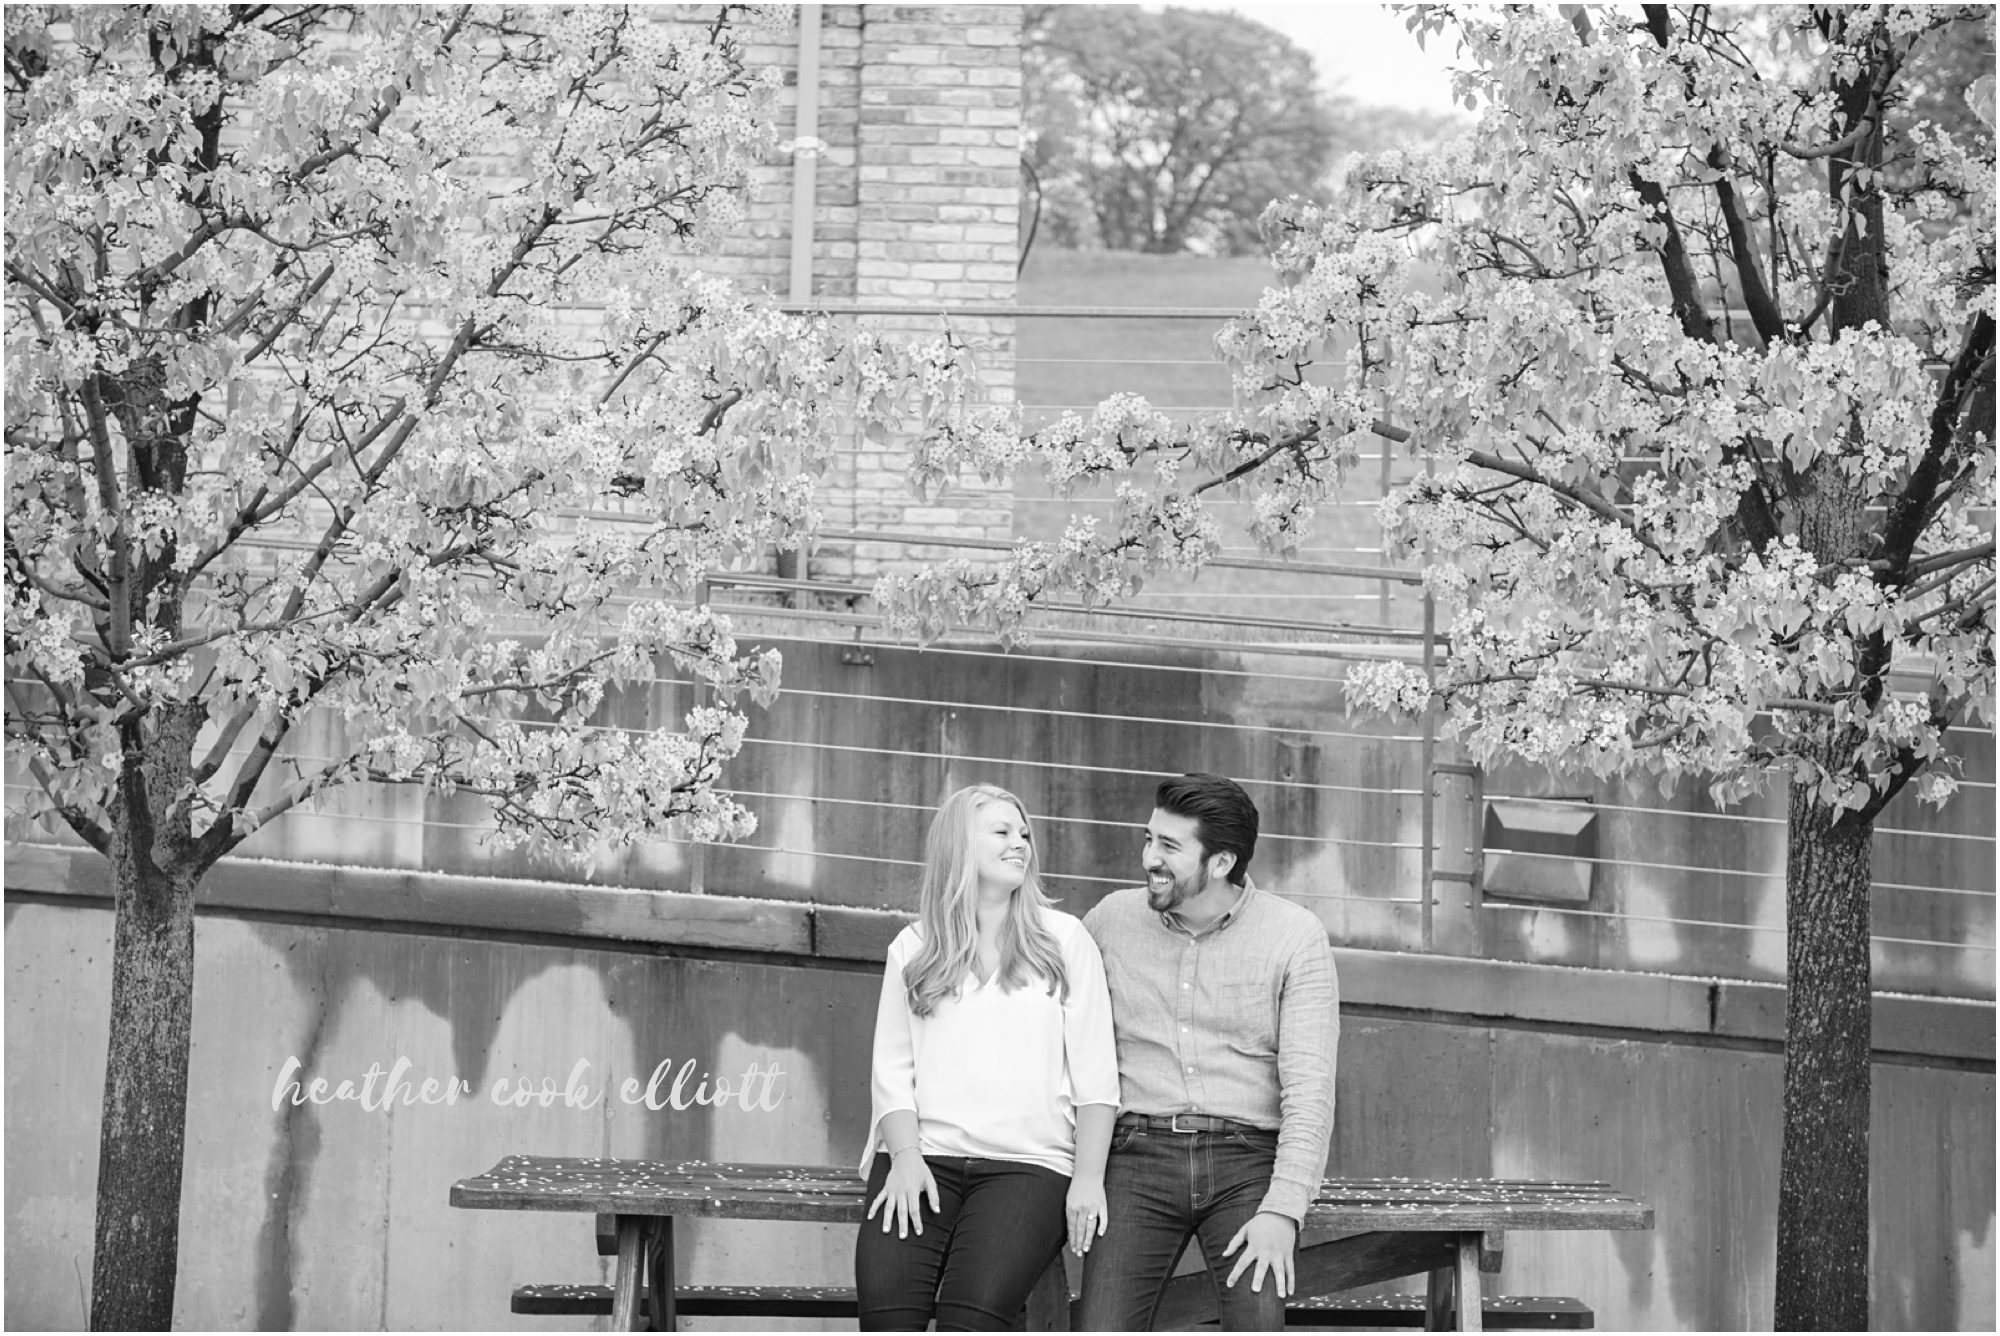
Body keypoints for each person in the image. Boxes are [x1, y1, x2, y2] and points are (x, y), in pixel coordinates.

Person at [1078, 773, 1339, 1331]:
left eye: (1169, 847)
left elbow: (1310, 1090)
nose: (1149, 857)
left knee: (1256, 1323)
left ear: (1221, 863)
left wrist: (1282, 1210)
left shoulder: (1295, 937)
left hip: (1247, 1163)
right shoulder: (1107, 922)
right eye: (1149, 839)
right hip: (1135, 1156)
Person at [856, 783, 1121, 1331]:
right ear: (959, 846)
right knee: (886, 1317)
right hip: (921, 1159)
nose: (1020, 842)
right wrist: (904, 1160)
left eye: (1023, 833)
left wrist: (1088, 1180)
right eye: (1001, 832)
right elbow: (892, 1072)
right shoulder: (915, 947)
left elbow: (1098, 1081)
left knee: (969, 1318)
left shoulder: (1064, 942)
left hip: (1028, 1168)